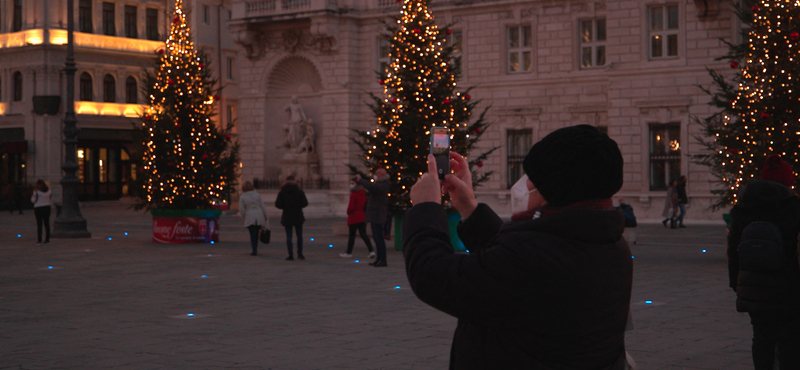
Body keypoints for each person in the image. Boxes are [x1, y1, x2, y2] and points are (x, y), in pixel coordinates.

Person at [404, 125, 633, 369]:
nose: (526, 184)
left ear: (554, 189)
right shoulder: (606, 239)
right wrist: (470, 210)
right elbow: (513, 266)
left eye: (533, 177)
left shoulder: (535, 255)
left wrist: (426, 208)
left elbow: (433, 276)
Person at [727, 154, 800, 370]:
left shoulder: (744, 208)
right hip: (789, 288)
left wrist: (736, 284)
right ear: (787, 181)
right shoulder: (794, 208)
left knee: (761, 337)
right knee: (789, 341)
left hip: (754, 289)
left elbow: (733, 251)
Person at [355, 168, 391, 267]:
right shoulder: (380, 184)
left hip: (378, 215)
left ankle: (383, 259)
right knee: (376, 237)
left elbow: (372, 187)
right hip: (375, 215)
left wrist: (360, 180)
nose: (374, 175)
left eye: (376, 174)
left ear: (381, 175)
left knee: (379, 238)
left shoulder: (384, 185)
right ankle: (379, 259)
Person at [275, 176, 308, 261]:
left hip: (287, 215)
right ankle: (300, 253)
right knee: (299, 235)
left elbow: (278, 204)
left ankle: (290, 254)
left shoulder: (282, 192)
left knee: (289, 236)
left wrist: (285, 206)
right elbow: (305, 203)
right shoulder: (299, 192)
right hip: (298, 215)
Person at [340, 178, 375, 259]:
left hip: (354, 217)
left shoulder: (354, 194)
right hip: (362, 216)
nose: (351, 185)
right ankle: (371, 250)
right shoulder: (363, 194)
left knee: (352, 236)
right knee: (363, 234)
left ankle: (349, 252)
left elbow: (351, 207)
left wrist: (348, 212)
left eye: (353, 183)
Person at [239, 181, 269, 256]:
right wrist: (266, 216)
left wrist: (244, 216)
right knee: (257, 231)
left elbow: (242, 209)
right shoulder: (257, 195)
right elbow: (262, 206)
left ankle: (254, 249)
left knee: (252, 234)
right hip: (259, 214)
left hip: (250, 215)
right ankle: (256, 247)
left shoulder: (243, 197)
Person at [31, 180, 52, 246]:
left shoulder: (36, 192)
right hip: (47, 207)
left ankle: (39, 240)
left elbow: (33, 200)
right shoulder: (49, 191)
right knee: (47, 223)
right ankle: (47, 240)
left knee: (39, 224)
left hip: (38, 207)